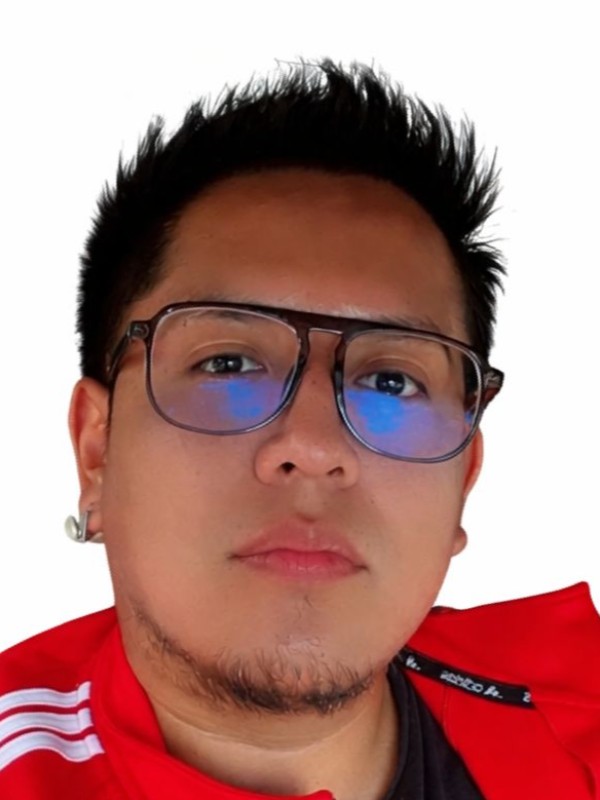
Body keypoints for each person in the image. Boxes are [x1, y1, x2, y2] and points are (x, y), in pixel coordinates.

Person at [0, 60, 598, 799]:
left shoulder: (577, 725)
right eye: (227, 364)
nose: (314, 448)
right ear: (97, 452)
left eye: (391, 382)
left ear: (464, 478)